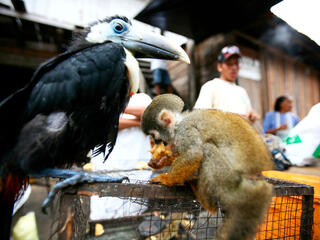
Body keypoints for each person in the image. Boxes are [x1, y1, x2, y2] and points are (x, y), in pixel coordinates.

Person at [89, 93, 153, 220]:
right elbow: (102, 123)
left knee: (131, 219)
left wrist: (113, 109)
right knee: (100, 220)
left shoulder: (141, 98)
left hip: (135, 172)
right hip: (105, 169)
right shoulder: (100, 96)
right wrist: (138, 122)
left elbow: (150, 115)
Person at [193, 45, 259, 123]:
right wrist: (234, 118)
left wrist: (252, 117)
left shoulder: (242, 91)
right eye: (229, 63)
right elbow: (199, 116)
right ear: (219, 67)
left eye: (236, 63)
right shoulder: (210, 87)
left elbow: (248, 118)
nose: (234, 67)